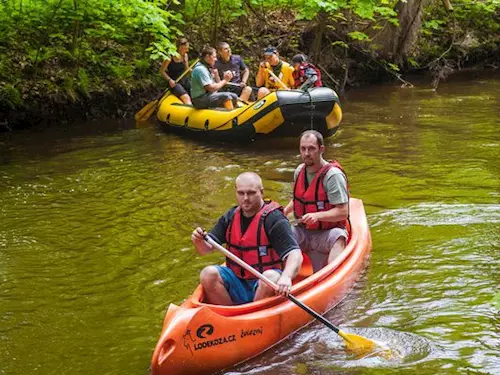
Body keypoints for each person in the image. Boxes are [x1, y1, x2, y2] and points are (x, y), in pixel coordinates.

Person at [192, 172, 303, 305]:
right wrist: (198, 240)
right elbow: (205, 250)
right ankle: (230, 316)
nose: (245, 198)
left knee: (270, 277)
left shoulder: (274, 219)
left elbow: (295, 254)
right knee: (207, 274)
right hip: (238, 280)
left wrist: (286, 277)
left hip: (265, 281)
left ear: (261, 192)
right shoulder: (230, 216)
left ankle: (254, 315)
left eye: (250, 193)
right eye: (241, 193)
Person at [284, 130, 349, 273]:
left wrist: (317, 216)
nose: (306, 153)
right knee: (281, 233)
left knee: (338, 236)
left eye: (311, 148)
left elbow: (343, 212)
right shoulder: (299, 171)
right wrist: (285, 212)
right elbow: (300, 197)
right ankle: (281, 277)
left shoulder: (333, 176)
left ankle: (331, 275)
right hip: (303, 230)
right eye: (303, 149)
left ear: (321, 149)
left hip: (327, 232)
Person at [159, 37, 192, 105]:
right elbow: (162, 71)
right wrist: (169, 80)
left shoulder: (185, 55)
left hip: (184, 80)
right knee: (186, 98)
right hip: (174, 82)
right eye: (186, 48)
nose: (187, 50)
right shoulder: (170, 56)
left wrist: (194, 71)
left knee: (196, 93)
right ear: (180, 47)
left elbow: (187, 70)